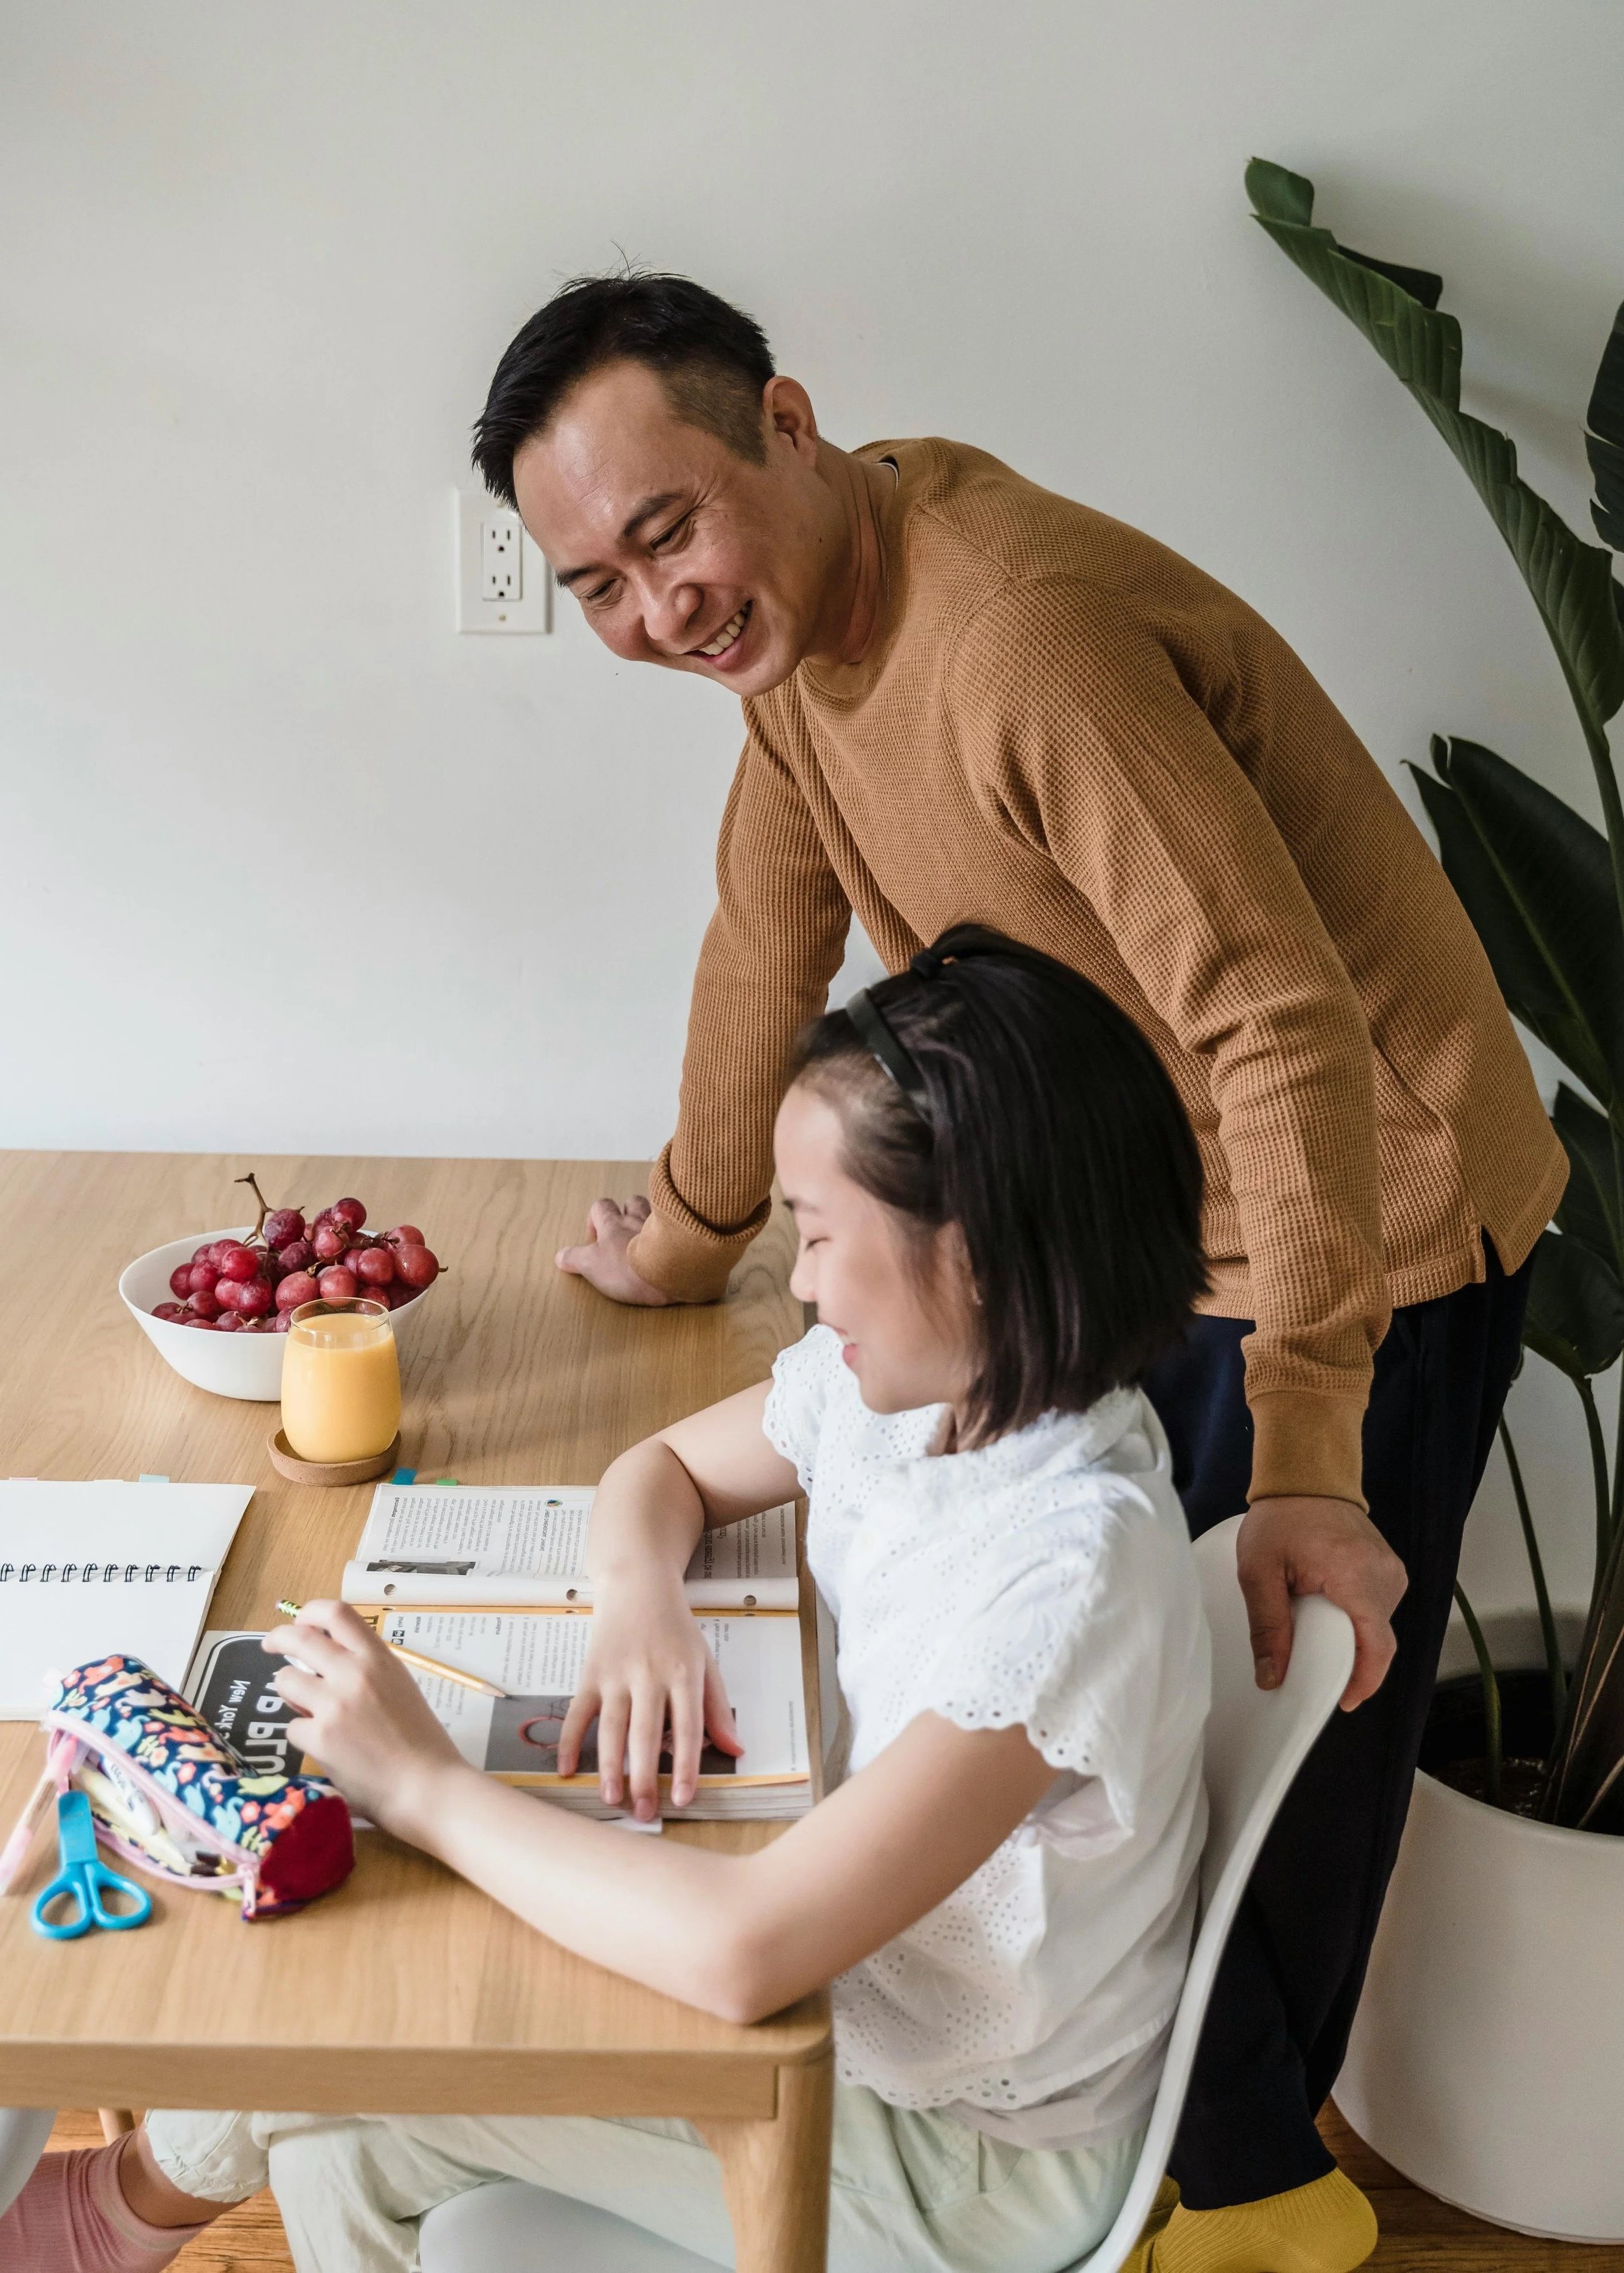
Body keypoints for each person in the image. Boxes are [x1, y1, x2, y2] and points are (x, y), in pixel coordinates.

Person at [468, 272, 1562, 2269]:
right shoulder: (793, 641)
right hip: (1127, 1212)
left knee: (1260, 1748)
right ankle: (1133, 2157)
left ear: (785, 424)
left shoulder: (1015, 639)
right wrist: (696, 1228)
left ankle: (1252, 2196)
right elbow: (765, 935)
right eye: (596, 583)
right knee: (1119, 1726)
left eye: (667, 531)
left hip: (1356, 1213)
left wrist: (1306, 1436)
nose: (655, 605)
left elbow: (1276, 1022)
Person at [5, 929, 1223, 2273]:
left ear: (975, 1247)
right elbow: (662, 1469)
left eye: (820, 1234)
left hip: (965, 2159)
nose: (800, 1281)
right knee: (344, 2121)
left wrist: (421, 1785)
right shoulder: (924, 1395)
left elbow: (746, 1949)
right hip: (860, 1996)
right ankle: (118, 2211)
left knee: (362, 2070)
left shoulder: (1068, 1577)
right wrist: (643, 1603)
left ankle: (112, 2212)